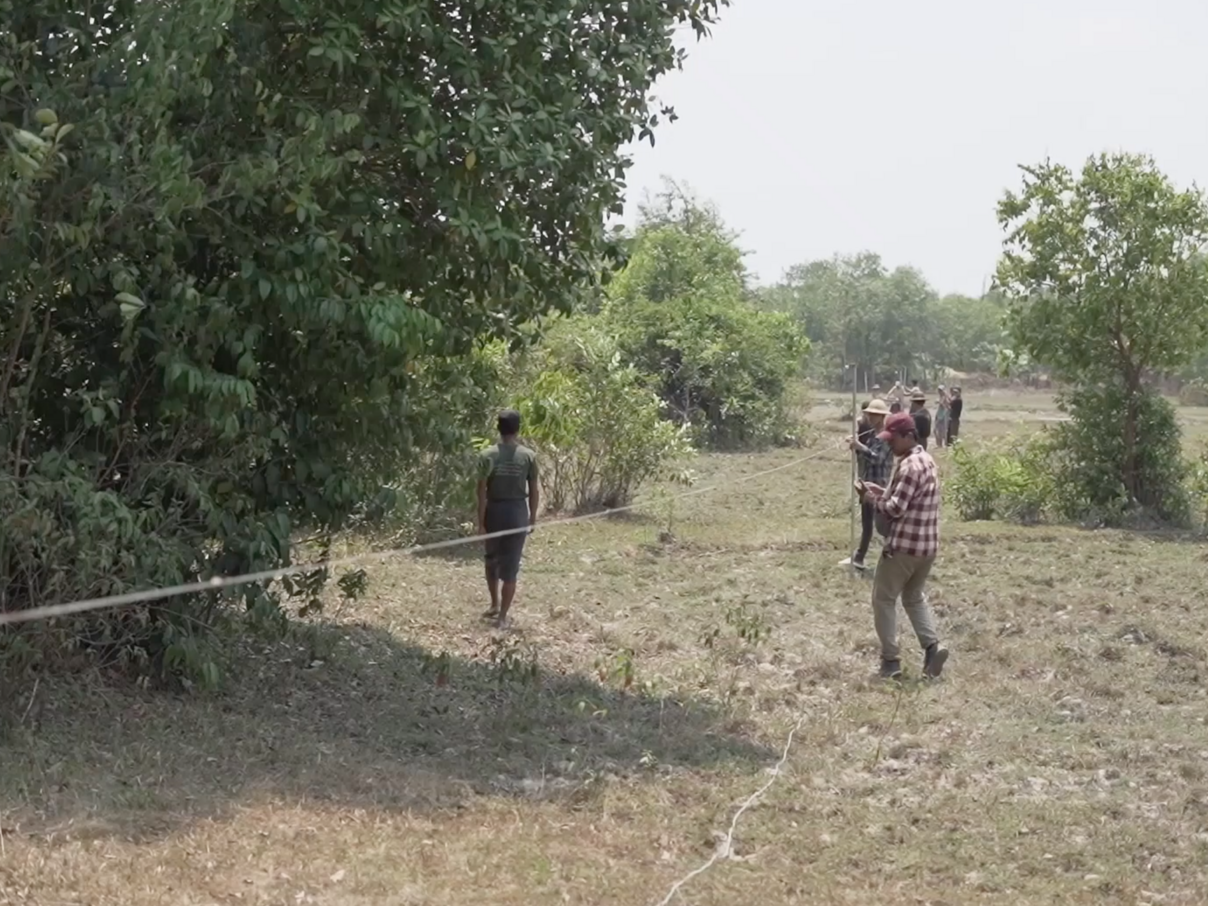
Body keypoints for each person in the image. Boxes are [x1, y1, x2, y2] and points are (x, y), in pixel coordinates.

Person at [857, 411, 949, 680]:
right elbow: (906, 498)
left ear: (909, 436)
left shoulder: (908, 466)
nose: (890, 444)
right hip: (927, 547)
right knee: (913, 596)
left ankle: (890, 661)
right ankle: (932, 648)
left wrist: (871, 499)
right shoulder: (927, 460)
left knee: (883, 599)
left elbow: (895, 508)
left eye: (893, 439)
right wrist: (882, 491)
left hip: (903, 547)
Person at [476, 409, 540, 628]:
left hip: (494, 511)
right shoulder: (528, 456)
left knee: (491, 560)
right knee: (511, 567)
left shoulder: (487, 455)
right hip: (517, 513)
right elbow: (534, 490)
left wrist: (481, 522)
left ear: (498, 428)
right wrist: (532, 517)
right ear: (518, 429)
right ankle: (502, 616)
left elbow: (481, 492)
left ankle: (494, 604)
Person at [845, 398, 893, 569]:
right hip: (869, 482)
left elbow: (877, 459)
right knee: (867, 522)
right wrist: (856, 448)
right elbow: (867, 456)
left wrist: (860, 447)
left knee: (883, 525)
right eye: (869, 414)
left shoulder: (885, 437)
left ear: (882, 417)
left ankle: (891, 557)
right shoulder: (873, 434)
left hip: (878, 484)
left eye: (874, 415)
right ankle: (859, 557)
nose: (870, 417)